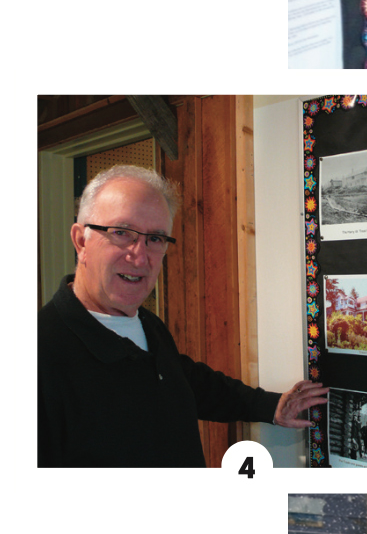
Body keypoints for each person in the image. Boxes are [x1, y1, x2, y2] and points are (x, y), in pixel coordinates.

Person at [39, 164, 328, 466]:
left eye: (155, 239)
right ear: (81, 241)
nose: (139, 256)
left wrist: (270, 406)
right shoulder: (39, 356)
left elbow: (184, 381)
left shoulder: (147, 325)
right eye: (121, 233)